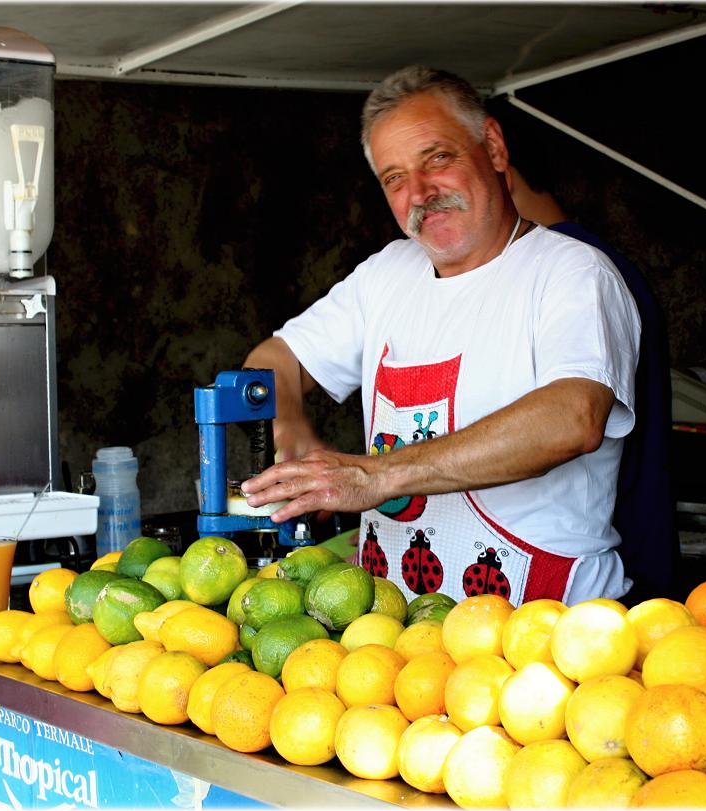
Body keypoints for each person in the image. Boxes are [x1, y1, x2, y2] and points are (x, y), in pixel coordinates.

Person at [241, 66, 641, 604]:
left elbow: (572, 418)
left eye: (438, 158)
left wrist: (378, 477)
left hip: (545, 626)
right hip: (399, 632)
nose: (421, 193)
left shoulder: (572, 272)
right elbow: (274, 360)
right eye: (395, 178)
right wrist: (290, 429)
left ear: (493, 148)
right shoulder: (387, 274)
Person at [494, 104, 678, 602]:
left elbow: (573, 424)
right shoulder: (603, 266)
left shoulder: (579, 277)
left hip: (606, 574)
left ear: (497, 168)